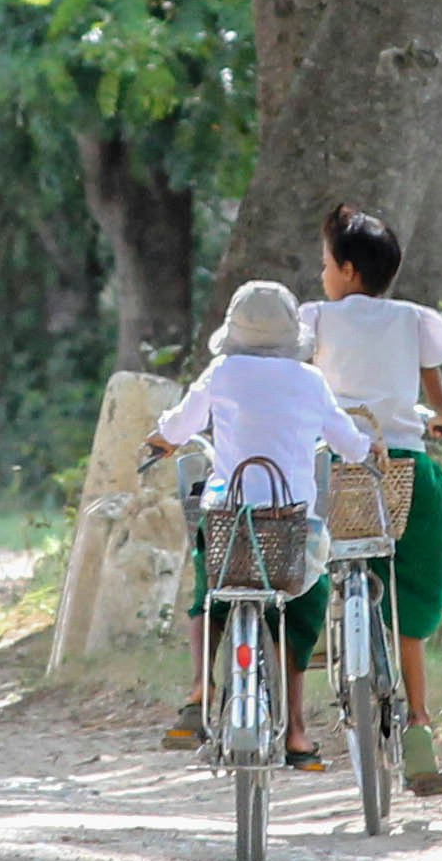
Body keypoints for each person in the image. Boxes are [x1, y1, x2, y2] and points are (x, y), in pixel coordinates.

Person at [149, 281, 374, 770]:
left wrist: (161, 439)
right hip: (290, 523)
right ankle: (295, 728)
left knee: (209, 585)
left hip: (231, 519)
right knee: (304, 598)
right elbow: (346, 440)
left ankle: (199, 685)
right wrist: (364, 451)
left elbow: (180, 425)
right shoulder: (309, 380)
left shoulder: (223, 371)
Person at [299, 206, 442, 795]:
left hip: (336, 469)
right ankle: (419, 724)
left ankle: (319, 634)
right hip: (401, 471)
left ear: (347, 270)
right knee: (407, 597)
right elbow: (438, 395)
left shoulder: (315, 319)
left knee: (316, 554)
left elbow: (298, 381)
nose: (321, 274)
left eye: (324, 264)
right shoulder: (413, 320)